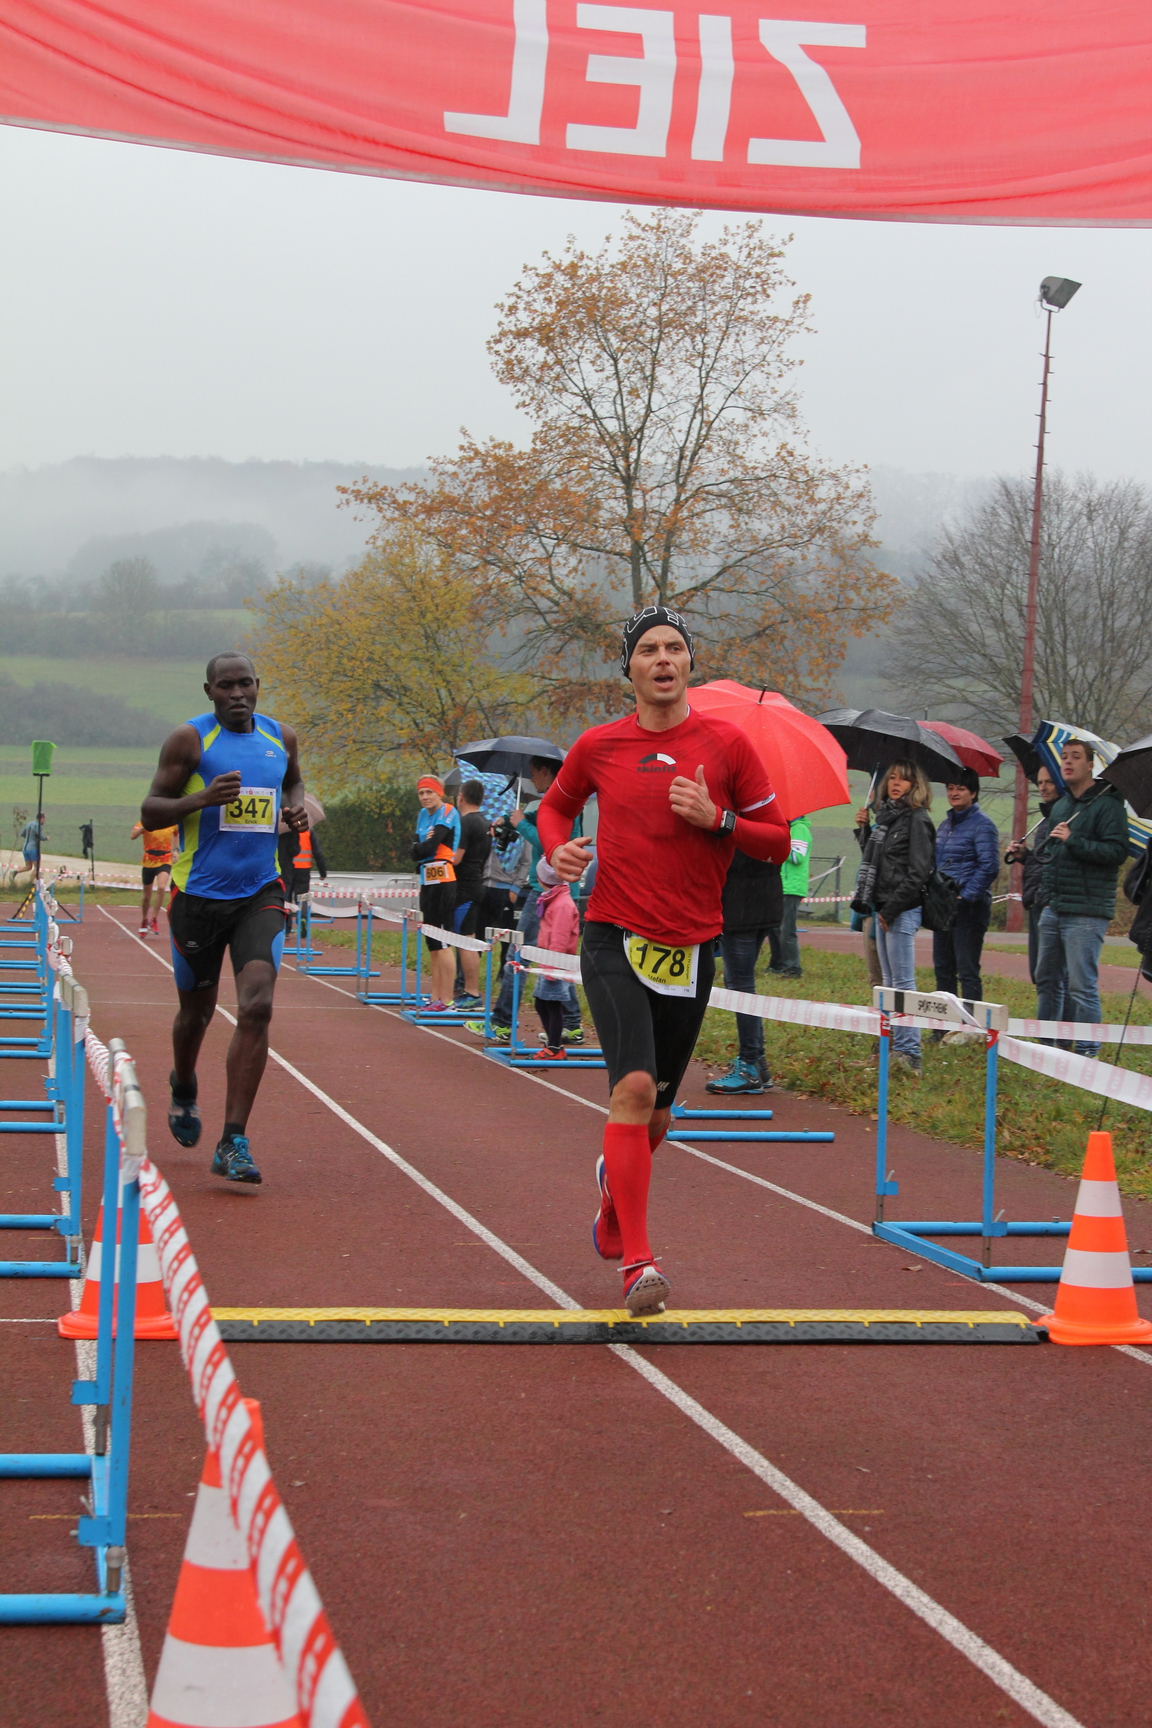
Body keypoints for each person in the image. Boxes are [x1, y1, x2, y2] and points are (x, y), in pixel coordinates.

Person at [539, 605, 789, 1314]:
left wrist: (721, 820)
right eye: (648, 649)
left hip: (691, 945)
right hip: (613, 934)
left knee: (658, 1116)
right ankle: (639, 1264)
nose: (663, 659)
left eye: (674, 647)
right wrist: (557, 849)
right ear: (629, 668)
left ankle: (613, 1197)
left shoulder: (728, 745)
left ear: (689, 663)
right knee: (635, 1088)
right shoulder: (599, 745)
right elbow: (554, 809)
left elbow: (777, 841)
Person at [140, 651, 307, 1184]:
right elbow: (150, 810)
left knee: (257, 1006)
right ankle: (184, 1082)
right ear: (209, 691)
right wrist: (202, 800)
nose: (237, 694)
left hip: (260, 891)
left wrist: (296, 807)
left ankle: (233, 1140)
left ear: (258, 685)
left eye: (245, 684)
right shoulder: (190, 741)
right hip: (198, 897)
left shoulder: (281, 737)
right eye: (226, 686)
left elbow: (294, 782)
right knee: (196, 1015)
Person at [465, 756, 584, 1044]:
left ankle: (502, 1022)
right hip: (549, 889)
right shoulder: (553, 800)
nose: (531, 780)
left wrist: (520, 825)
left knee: (517, 954)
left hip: (550, 892)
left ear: (545, 771)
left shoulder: (564, 802)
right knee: (554, 959)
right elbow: (536, 821)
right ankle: (572, 1024)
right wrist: (508, 820)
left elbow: (551, 842)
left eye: (533, 773)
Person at [1034, 738, 1129, 1057]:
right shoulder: (1061, 806)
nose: (1067, 762)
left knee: (1081, 985)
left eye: (1075, 757)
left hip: (1087, 911)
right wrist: (1026, 855)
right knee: (1046, 980)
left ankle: (1088, 1051)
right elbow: (1053, 856)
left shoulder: (1108, 806)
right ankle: (1046, 1046)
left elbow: (1117, 852)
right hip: (1054, 907)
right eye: (1064, 757)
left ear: (1090, 765)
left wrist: (1074, 840)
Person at [852, 761, 936, 1077]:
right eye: (892, 778)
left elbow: (918, 872)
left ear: (916, 785)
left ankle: (910, 1052)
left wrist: (890, 911)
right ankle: (889, 1046)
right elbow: (877, 861)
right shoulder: (887, 819)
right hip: (882, 906)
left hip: (902, 909)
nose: (896, 783)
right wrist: (864, 831)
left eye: (903, 779)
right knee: (887, 983)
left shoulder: (917, 819)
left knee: (902, 982)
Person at [707, 848, 783, 1094]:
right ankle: (758, 1063)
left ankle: (749, 1065)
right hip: (764, 903)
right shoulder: (775, 824)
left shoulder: (738, 828)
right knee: (742, 984)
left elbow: (727, 858)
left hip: (740, 906)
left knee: (740, 987)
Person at [931, 767, 1000, 1014]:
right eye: (950, 788)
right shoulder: (944, 825)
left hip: (970, 909)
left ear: (973, 792)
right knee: (943, 969)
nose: (954, 793)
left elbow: (989, 866)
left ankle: (972, 1025)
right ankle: (943, 1025)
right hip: (943, 907)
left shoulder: (983, 825)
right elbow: (936, 864)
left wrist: (966, 896)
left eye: (960, 788)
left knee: (967, 970)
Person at [1005, 765, 1066, 1009]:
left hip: (1049, 901)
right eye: (1040, 782)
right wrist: (1025, 855)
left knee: (1053, 977)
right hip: (1037, 899)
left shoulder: (1064, 817)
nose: (1043, 787)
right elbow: (1043, 861)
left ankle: (1060, 1028)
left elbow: (1058, 863)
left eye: (1049, 782)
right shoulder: (1046, 818)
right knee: (1039, 973)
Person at [411, 775, 460, 1013]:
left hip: (444, 879)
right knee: (431, 939)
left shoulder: (448, 811)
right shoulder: (422, 815)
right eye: (421, 793)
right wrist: (422, 848)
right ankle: (435, 996)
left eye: (429, 792)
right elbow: (414, 852)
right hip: (427, 878)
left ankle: (447, 999)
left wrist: (423, 847)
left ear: (439, 793)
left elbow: (429, 847)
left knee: (443, 939)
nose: (425, 797)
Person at [532, 859, 581, 1059]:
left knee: (552, 1004)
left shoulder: (562, 905)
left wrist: (552, 967)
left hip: (555, 963)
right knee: (541, 1003)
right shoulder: (552, 899)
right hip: (547, 961)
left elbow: (560, 938)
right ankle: (553, 1043)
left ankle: (554, 1047)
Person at [451, 778, 492, 1008]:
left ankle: (472, 993)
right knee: (467, 939)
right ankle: (469, 991)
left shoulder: (465, 822)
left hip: (465, 887)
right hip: (477, 882)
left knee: (465, 940)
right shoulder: (486, 823)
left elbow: (456, 858)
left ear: (461, 797)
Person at [768, 814, 811, 978]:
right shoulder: (790, 829)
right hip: (783, 885)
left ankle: (792, 968)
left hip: (792, 886)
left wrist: (777, 847)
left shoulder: (800, 829)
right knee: (775, 928)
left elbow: (796, 857)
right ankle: (778, 963)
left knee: (786, 929)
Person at [130, 819, 178, 935]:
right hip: (149, 860)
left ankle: (154, 919)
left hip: (165, 859)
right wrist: (143, 828)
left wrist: (176, 850)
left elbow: (176, 833)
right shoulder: (145, 821)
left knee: (161, 887)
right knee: (147, 896)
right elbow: (133, 836)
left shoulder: (170, 822)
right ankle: (144, 919)